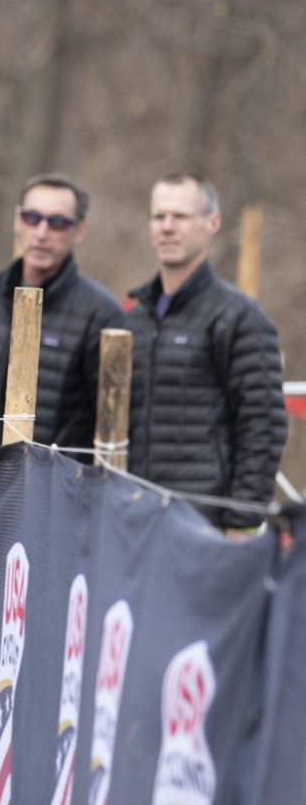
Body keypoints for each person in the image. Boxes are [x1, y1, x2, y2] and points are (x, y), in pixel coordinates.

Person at [126, 173, 286, 536]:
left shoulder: (239, 318)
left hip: (203, 525)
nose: (167, 227)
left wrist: (242, 522)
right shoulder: (134, 319)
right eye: (158, 216)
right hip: (133, 520)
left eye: (180, 217)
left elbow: (263, 425)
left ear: (212, 222)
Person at [0, 173, 125, 459]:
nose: (42, 233)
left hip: (54, 491)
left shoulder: (102, 315)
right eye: (32, 218)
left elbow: (110, 426)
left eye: (57, 223)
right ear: (17, 221)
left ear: (79, 231)